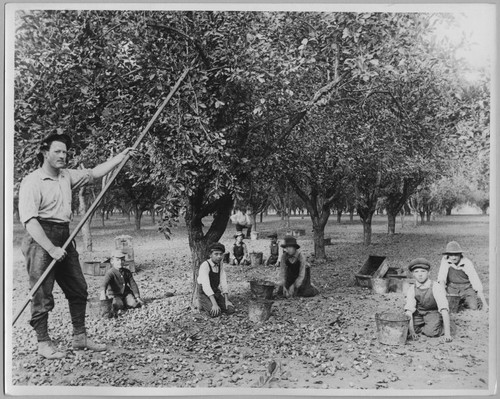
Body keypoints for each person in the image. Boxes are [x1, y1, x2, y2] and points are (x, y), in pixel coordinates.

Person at [19, 132, 136, 359]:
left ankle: (79, 337)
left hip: (64, 234)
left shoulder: (66, 176)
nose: (63, 156)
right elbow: (30, 221)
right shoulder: (32, 181)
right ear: (44, 153)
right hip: (40, 238)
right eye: (57, 151)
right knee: (42, 293)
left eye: (65, 152)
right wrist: (51, 248)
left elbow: (93, 173)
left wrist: (120, 158)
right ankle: (43, 343)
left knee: (78, 288)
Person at [404, 258, 452, 342]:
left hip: (432, 312)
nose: (420, 275)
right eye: (416, 272)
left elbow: (444, 309)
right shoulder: (412, 288)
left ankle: (443, 325)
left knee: (432, 332)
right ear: (413, 274)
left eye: (423, 271)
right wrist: (412, 332)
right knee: (405, 326)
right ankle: (427, 326)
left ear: (429, 273)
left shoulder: (436, 287)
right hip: (419, 314)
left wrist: (447, 334)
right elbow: (409, 311)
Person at [437, 241, 488, 311]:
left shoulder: (467, 263)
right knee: (450, 308)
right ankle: (458, 302)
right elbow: (441, 279)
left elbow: (476, 282)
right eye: (451, 255)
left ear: (460, 254)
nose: (453, 258)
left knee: (473, 307)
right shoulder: (445, 260)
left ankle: (469, 300)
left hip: (466, 288)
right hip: (452, 288)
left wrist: (485, 304)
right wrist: (444, 295)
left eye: (456, 255)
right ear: (448, 255)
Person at [100, 250, 144, 317]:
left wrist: (137, 296)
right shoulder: (110, 273)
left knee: (134, 304)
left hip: (126, 293)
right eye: (117, 260)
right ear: (112, 261)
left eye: (122, 260)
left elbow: (133, 284)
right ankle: (121, 305)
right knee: (118, 304)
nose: (120, 262)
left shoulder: (127, 272)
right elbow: (104, 284)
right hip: (115, 294)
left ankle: (127, 302)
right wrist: (103, 293)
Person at [197, 243, 235, 317]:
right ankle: (202, 303)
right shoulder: (205, 265)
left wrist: (226, 300)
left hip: (215, 291)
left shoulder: (220, 263)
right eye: (216, 254)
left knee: (230, 309)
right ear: (210, 255)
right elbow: (206, 286)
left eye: (221, 254)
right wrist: (214, 304)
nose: (219, 256)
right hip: (204, 292)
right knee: (215, 313)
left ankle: (215, 303)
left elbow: (223, 280)